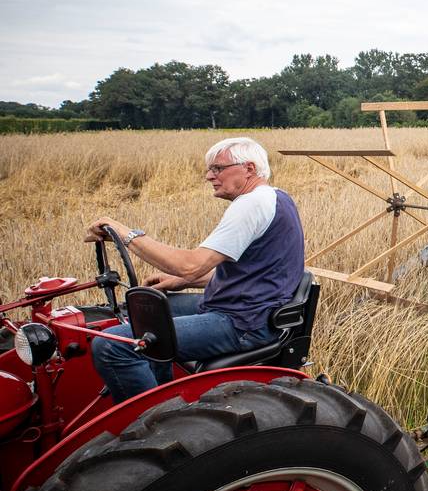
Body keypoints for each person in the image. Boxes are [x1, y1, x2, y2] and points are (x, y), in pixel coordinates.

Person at [87, 137, 305, 403]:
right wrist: (181, 281)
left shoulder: (252, 204)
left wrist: (126, 234)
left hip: (243, 323)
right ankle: (164, 389)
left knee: (112, 344)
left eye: (217, 168)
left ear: (248, 168)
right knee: (152, 309)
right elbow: (256, 271)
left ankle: (156, 421)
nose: (209, 176)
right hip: (247, 310)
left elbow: (189, 265)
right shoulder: (276, 197)